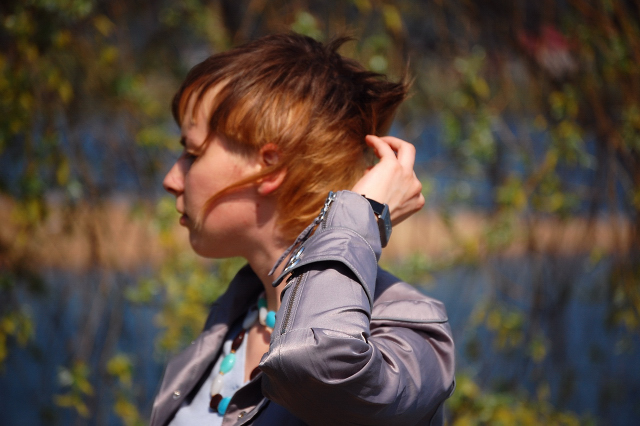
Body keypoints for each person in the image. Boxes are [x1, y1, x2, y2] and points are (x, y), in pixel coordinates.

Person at [152, 33, 455, 426]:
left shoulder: (405, 329)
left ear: (269, 168)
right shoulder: (233, 319)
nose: (171, 179)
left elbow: (321, 369)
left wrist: (361, 215)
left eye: (192, 154)